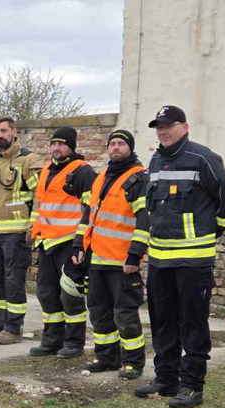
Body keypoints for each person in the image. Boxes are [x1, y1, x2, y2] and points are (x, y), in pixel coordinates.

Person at [135, 106, 225, 408]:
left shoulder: (203, 158)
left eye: (169, 126)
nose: (163, 131)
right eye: (158, 127)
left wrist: (213, 229)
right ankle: (165, 378)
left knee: (192, 324)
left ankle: (192, 386)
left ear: (185, 127)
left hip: (194, 261)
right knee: (162, 321)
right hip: (159, 260)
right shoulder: (155, 160)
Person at [74, 130, 149, 378]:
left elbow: (145, 220)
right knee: (99, 311)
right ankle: (106, 358)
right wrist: (78, 245)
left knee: (125, 314)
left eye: (121, 144)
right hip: (97, 259)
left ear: (130, 148)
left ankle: (133, 362)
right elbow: (89, 215)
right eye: (112, 144)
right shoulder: (103, 176)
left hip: (122, 261)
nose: (116, 148)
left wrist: (135, 255)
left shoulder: (138, 178)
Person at [29, 127, 96, 358]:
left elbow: (90, 212)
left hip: (69, 243)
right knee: (46, 293)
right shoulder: (47, 169)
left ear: (71, 146)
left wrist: (81, 243)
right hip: (47, 242)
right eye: (53, 144)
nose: (56, 148)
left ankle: (74, 343)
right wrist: (35, 232)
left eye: (62, 144)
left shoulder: (83, 172)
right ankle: (51, 340)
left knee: (71, 295)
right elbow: (42, 206)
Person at [0, 116, 43, 344]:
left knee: (13, 281)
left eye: (4, 130)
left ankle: (13, 328)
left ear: (14, 132)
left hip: (16, 232)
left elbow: (40, 197)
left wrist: (32, 226)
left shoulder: (29, 160)